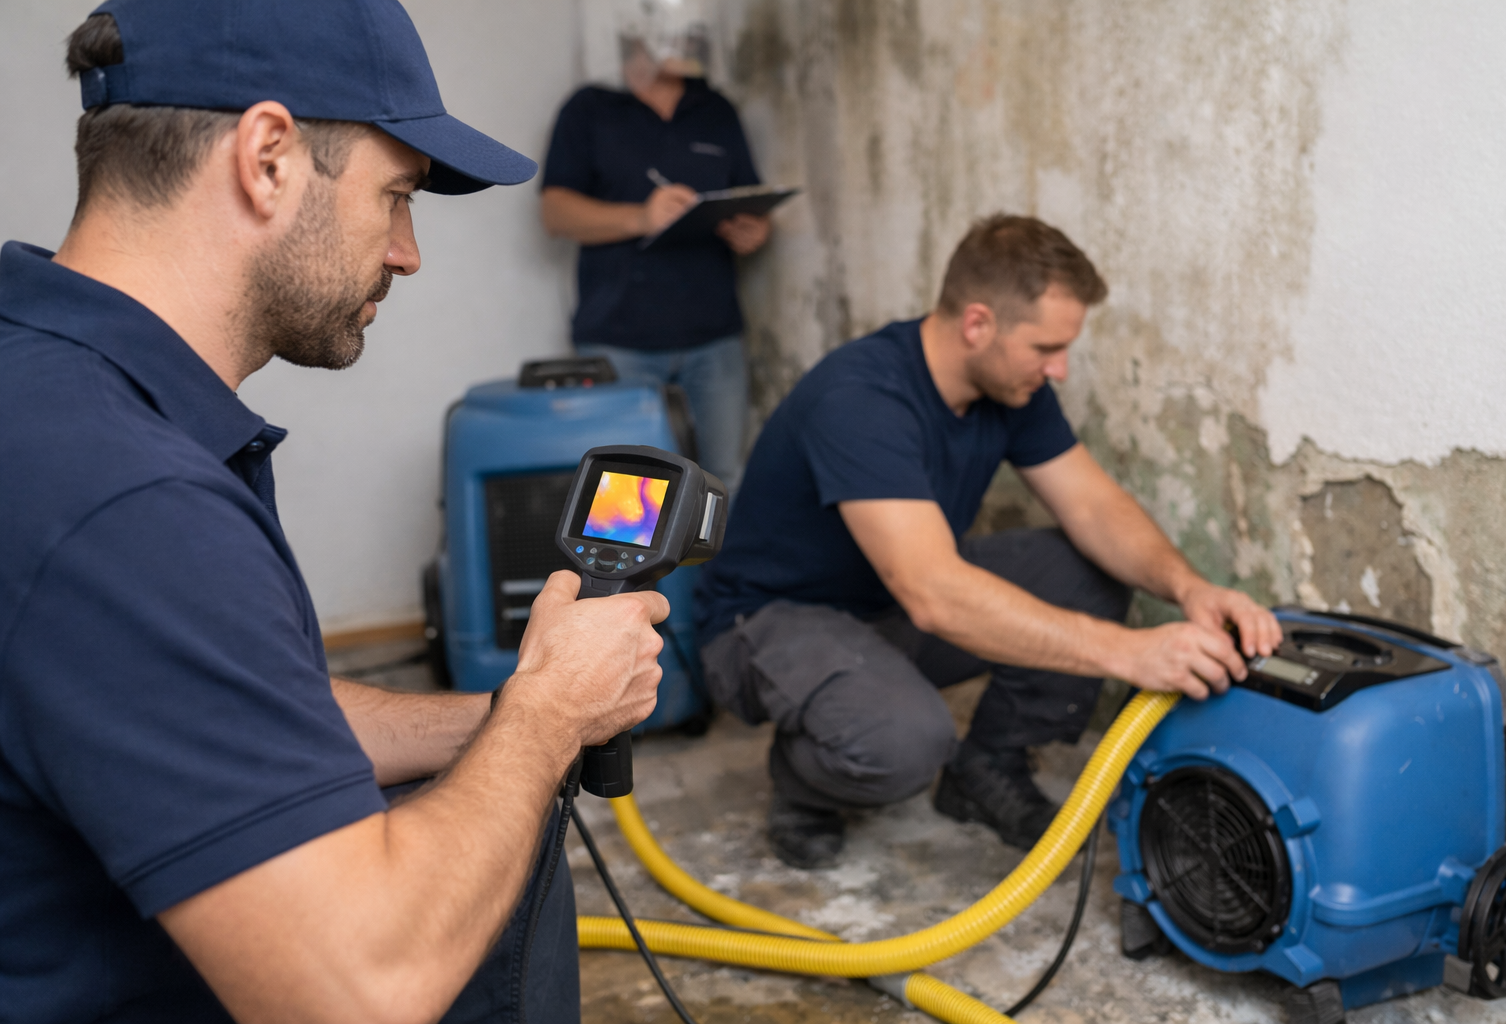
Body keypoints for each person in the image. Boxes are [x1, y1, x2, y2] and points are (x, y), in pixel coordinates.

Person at [0, 4, 671, 1023]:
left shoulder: (43, 375)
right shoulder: (126, 499)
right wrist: (544, 719)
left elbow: (231, 705)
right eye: (395, 194)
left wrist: (504, 718)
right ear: (267, 155)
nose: (408, 252)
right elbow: (359, 989)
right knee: (485, 846)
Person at [694, 215, 1284, 869]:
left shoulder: (1011, 386)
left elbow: (1093, 506)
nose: (1058, 369)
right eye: (1045, 348)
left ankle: (986, 769)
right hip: (770, 622)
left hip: (884, 603)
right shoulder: (860, 397)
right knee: (905, 740)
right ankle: (805, 780)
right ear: (978, 324)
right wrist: (1129, 654)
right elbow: (933, 594)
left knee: (1086, 571)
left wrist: (1190, 588)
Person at [540, 0, 768, 493]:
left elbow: (749, 201)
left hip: (715, 338)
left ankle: (717, 575)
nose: (687, 40)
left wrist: (752, 230)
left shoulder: (717, 109)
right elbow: (555, 212)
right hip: (619, 339)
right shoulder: (589, 108)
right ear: (635, 29)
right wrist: (640, 216)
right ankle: (636, 577)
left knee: (722, 482)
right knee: (628, 491)